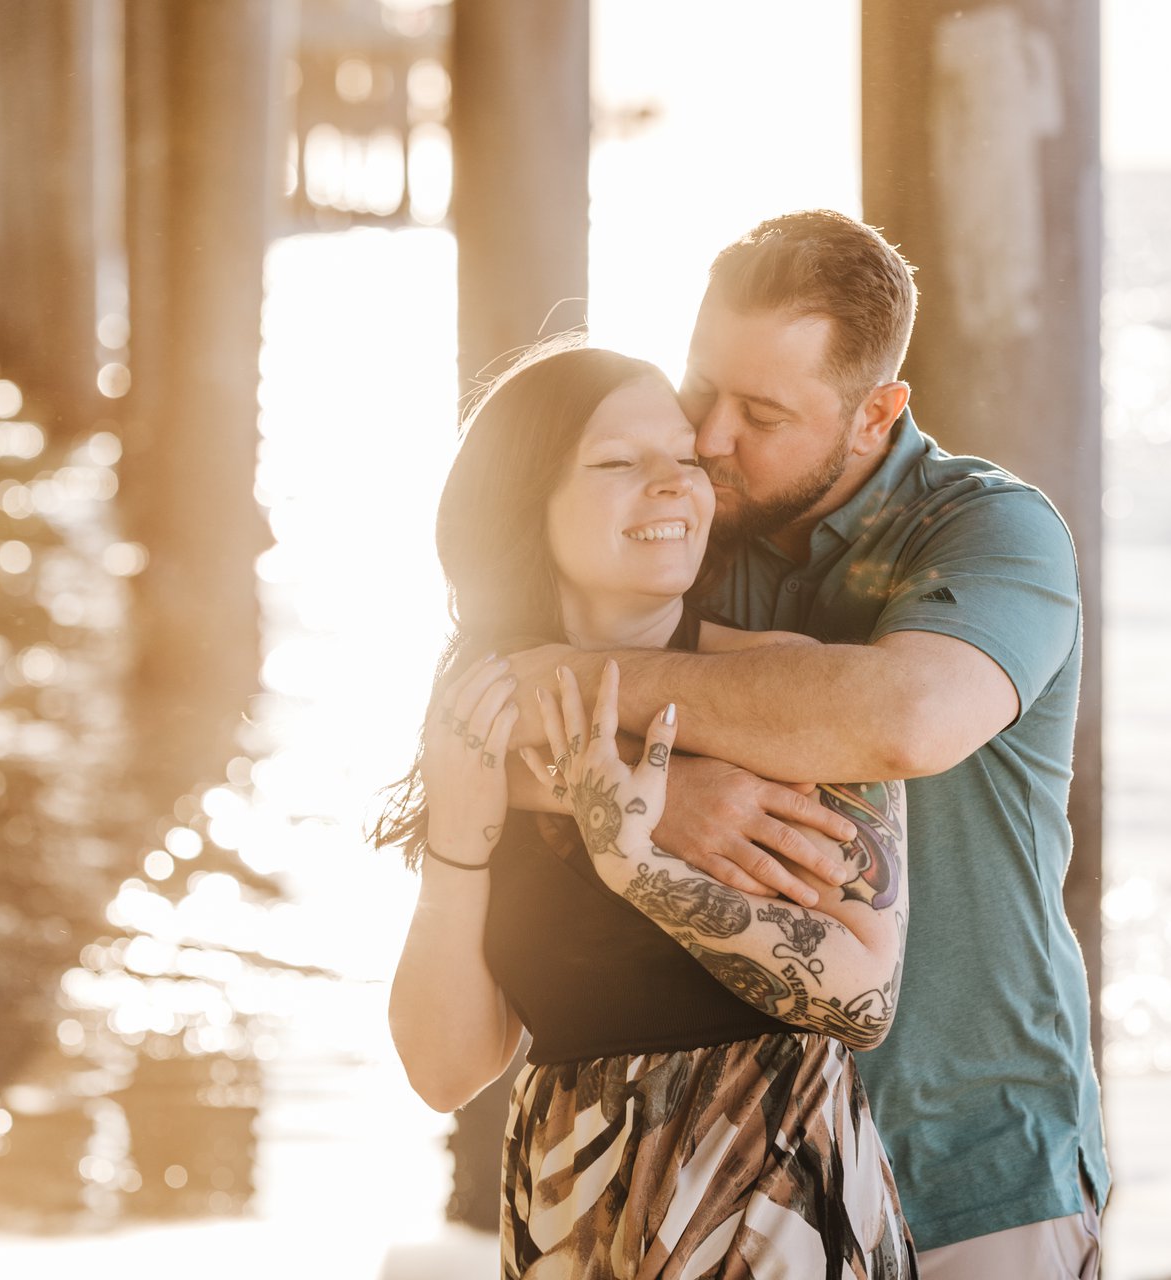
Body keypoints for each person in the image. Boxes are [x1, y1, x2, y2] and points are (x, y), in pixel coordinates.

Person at [500, 211, 1108, 1278]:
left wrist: (574, 682)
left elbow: (907, 719)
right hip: (735, 1162)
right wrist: (649, 796)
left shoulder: (990, 531)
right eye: (704, 387)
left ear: (876, 414)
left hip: (971, 1162)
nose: (712, 436)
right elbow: (468, 725)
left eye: (764, 413)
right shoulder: (690, 521)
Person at [376, 343, 917, 1277]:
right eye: (619, 462)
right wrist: (459, 840)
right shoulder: (487, 720)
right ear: (526, 501)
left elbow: (862, 999)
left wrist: (642, 866)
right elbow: (444, 1070)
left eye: (687, 459)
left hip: (770, 1191)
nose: (675, 485)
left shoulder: (787, 685)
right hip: (574, 1207)